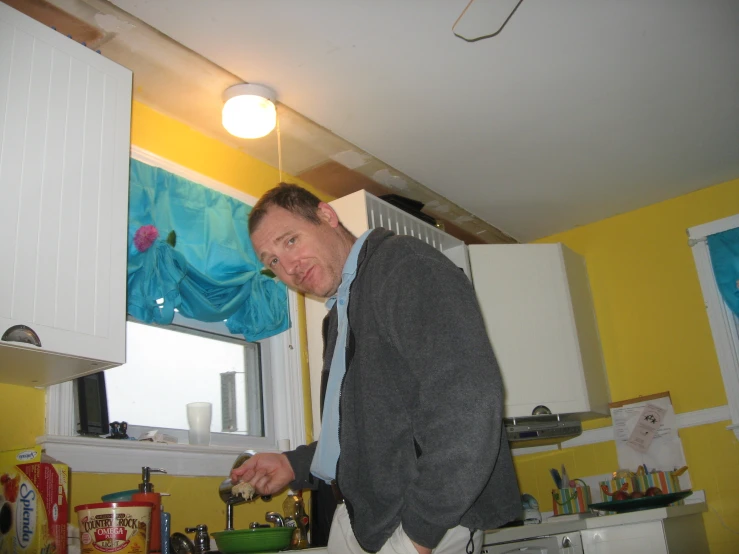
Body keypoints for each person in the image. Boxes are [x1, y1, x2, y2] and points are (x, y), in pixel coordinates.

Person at [232, 183, 520, 554]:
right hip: (361, 520)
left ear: (326, 215)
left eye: (290, 241)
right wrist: (294, 463)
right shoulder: (340, 312)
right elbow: (368, 429)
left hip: (420, 524)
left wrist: (420, 532)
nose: (288, 267)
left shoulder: (405, 267)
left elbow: (469, 405)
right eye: (271, 260)